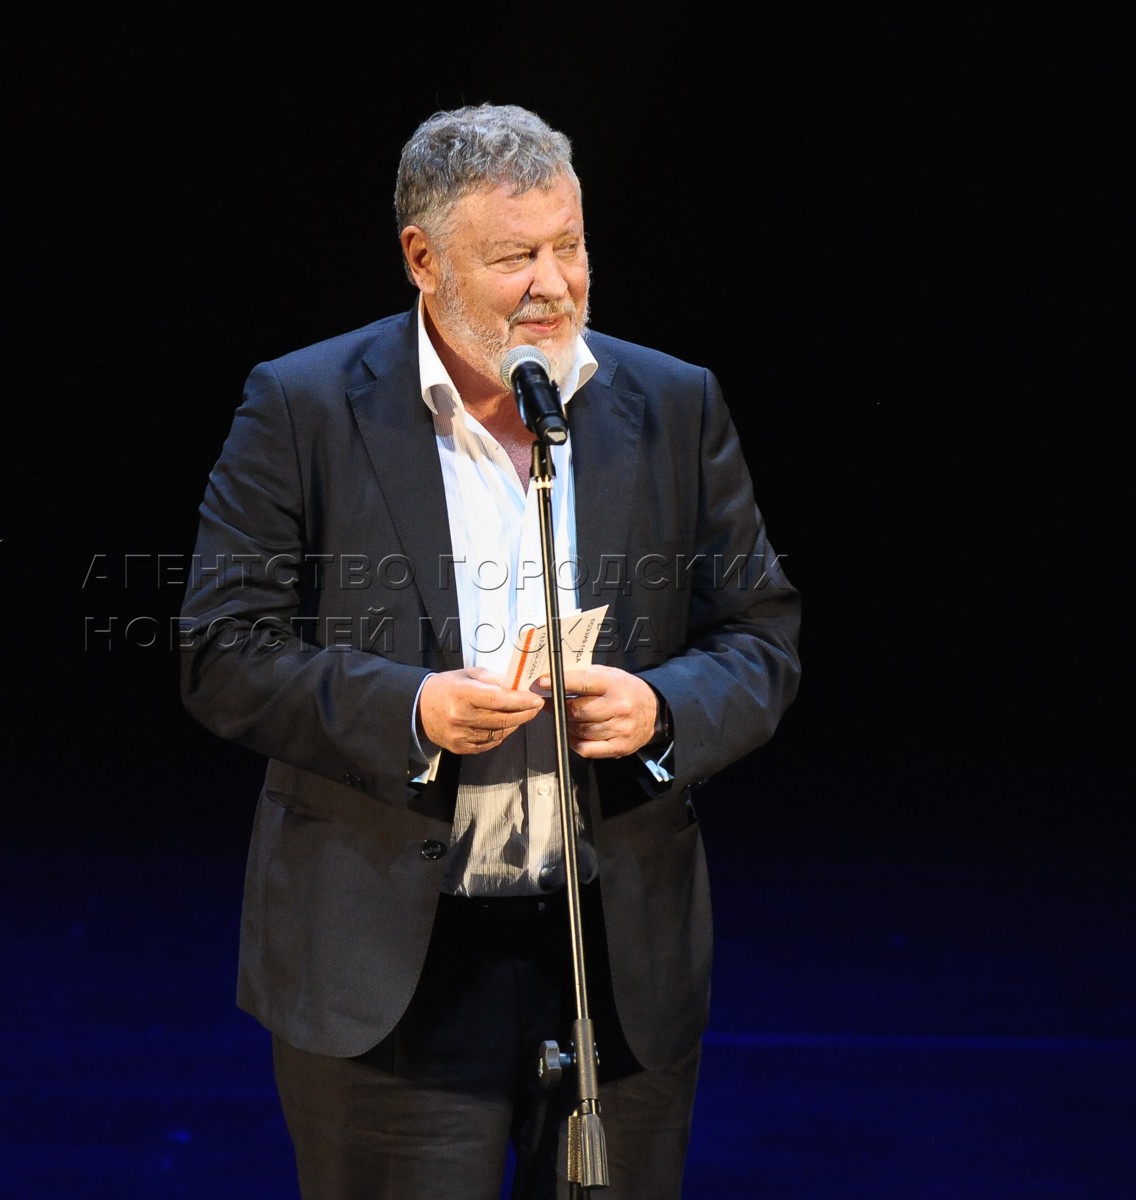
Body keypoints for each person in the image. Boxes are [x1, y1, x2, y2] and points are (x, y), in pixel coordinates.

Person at [178, 102, 801, 1200]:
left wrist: (662, 711)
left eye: (570, 246)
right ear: (423, 259)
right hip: (394, 966)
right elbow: (222, 651)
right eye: (514, 256)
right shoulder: (304, 404)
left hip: (611, 955)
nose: (553, 284)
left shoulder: (673, 402)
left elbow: (760, 635)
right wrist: (411, 711)